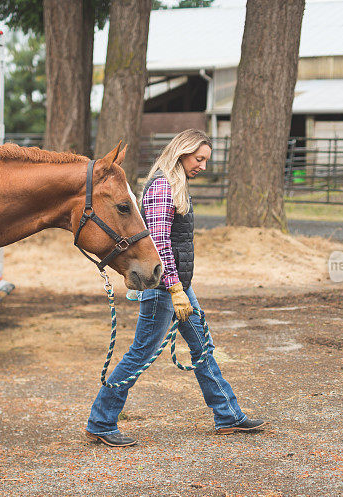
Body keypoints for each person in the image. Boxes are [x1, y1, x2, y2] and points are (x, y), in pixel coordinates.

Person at [84, 129, 265, 447]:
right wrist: (176, 289)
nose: (203, 167)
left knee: (202, 348)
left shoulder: (176, 185)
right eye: (199, 159)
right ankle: (101, 421)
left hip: (178, 284)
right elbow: (159, 245)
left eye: (206, 160)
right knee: (141, 353)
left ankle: (228, 416)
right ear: (182, 152)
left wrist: (182, 287)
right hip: (164, 288)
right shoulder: (162, 187)